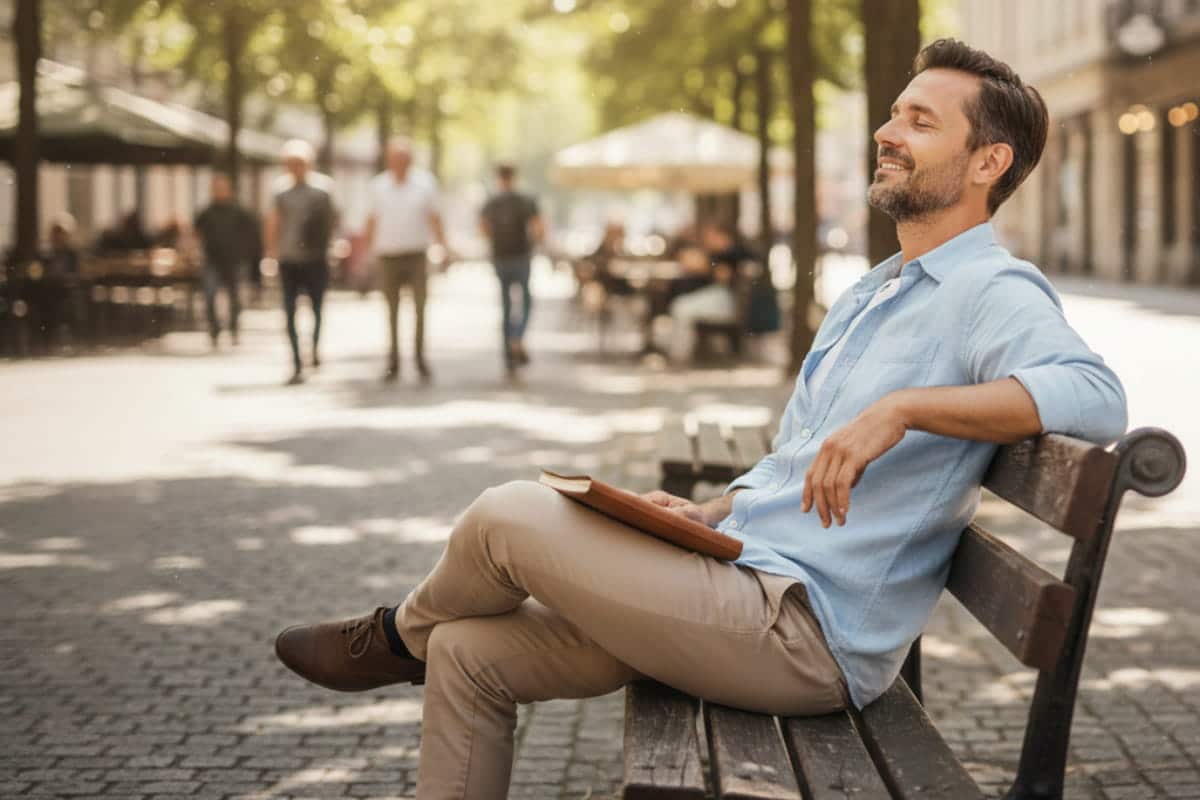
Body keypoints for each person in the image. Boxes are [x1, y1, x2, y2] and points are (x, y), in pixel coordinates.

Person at [274, 40, 1128, 799]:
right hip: (737, 581)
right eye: (893, 112)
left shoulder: (991, 288)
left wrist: (902, 409)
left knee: (504, 515)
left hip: (801, 634)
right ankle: (423, 643)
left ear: (988, 163)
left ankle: (391, 638)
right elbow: (798, 452)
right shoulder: (877, 290)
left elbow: (1095, 397)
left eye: (921, 122)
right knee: (468, 654)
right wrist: (709, 512)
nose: (887, 131)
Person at [364, 136, 449, 382]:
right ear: (389, 160)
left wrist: (443, 247)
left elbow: (435, 217)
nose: (399, 162)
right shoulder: (378, 186)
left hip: (416, 254)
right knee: (391, 310)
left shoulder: (425, 183)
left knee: (420, 308)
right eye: (395, 158)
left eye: (403, 158)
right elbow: (371, 220)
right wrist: (367, 254)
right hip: (388, 254)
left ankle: (420, 358)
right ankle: (393, 360)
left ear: (410, 160)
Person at [265, 139, 337, 386]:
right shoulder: (280, 192)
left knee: (317, 309)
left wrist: (333, 246)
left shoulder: (323, 190)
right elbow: (273, 222)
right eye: (291, 163)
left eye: (300, 163)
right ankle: (296, 361)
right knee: (289, 311)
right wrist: (271, 253)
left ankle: (314, 350)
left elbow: (333, 221)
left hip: (317, 258)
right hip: (289, 259)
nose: (295, 168)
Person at [662, 222, 756, 363]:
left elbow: (723, 277)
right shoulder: (720, 254)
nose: (708, 239)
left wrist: (706, 267)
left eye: (711, 236)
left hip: (724, 301)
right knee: (680, 305)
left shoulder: (732, 253)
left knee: (681, 307)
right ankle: (677, 351)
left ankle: (679, 354)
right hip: (718, 297)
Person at [480, 164, 543, 371]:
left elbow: (483, 228)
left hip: (501, 258)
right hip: (521, 256)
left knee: (506, 305)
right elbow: (538, 227)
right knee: (525, 301)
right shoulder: (525, 200)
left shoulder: (491, 202)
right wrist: (534, 244)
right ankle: (517, 337)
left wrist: (494, 241)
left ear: (499, 178)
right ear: (514, 177)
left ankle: (508, 351)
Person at [193, 173, 260, 348]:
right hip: (212, 261)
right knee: (209, 296)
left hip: (234, 261)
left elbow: (251, 235)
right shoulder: (206, 213)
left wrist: (247, 255)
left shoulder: (239, 212)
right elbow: (196, 234)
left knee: (235, 298)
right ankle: (214, 330)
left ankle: (234, 329)